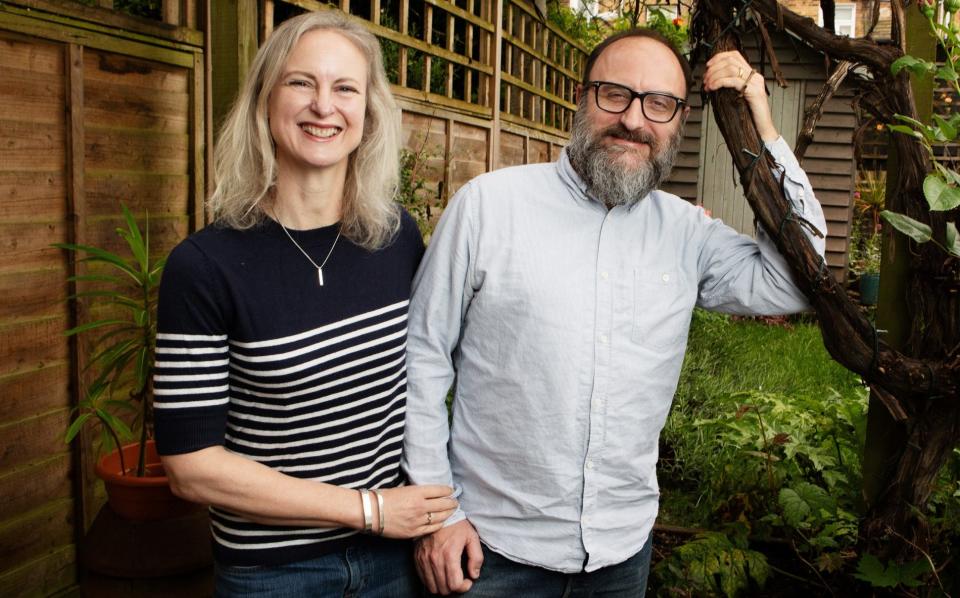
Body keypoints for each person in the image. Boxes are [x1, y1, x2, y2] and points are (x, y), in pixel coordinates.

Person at [402, 28, 827, 597]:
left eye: (659, 104)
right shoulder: (488, 207)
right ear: (582, 98)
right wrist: (438, 514)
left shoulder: (686, 232)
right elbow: (421, 358)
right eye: (614, 94)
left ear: (678, 120)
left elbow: (798, 280)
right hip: (489, 550)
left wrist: (762, 128)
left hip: (621, 556)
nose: (634, 119)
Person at [153, 11, 456, 596]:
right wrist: (366, 510)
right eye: (301, 83)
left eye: (345, 88)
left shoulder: (398, 240)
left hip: (395, 565)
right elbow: (191, 466)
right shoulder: (204, 267)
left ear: (368, 115)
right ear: (265, 102)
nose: (324, 105)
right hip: (274, 575)